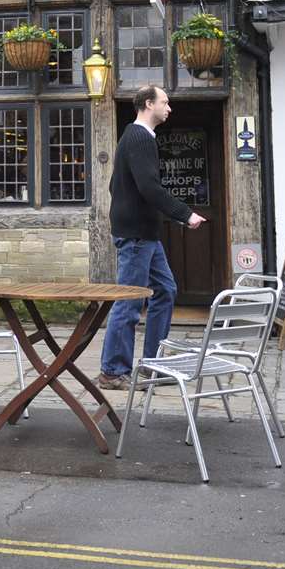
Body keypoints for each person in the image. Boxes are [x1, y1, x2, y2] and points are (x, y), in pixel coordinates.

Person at [98, 85, 206, 391]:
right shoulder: (139, 138)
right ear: (148, 104)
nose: (169, 108)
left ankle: (151, 363)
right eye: (165, 102)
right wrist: (185, 213)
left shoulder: (138, 138)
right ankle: (112, 371)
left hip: (145, 233)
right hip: (136, 236)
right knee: (130, 302)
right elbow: (149, 187)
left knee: (166, 290)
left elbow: (118, 188)